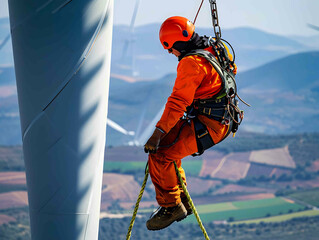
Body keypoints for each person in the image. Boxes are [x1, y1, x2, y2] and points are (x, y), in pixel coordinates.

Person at [144, 16, 237, 231]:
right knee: (169, 148)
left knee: (160, 154)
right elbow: (230, 71)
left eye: (169, 48)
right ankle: (182, 199)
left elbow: (178, 102)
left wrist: (157, 133)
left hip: (210, 125)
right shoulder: (215, 47)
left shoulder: (191, 63)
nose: (170, 53)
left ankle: (171, 206)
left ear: (177, 43)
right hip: (221, 117)